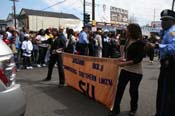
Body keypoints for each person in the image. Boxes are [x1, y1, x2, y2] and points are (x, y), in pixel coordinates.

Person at [109, 23, 145, 116]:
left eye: (127, 30)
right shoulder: (127, 40)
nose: (126, 31)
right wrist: (121, 59)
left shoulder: (140, 43)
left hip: (136, 72)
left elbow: (138, 59)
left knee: (133, 91)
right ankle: (116, 109)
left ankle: (133, 108)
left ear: (132, 31)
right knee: (119, 89)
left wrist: (124, 63)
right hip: (125, 70)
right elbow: (128, 56)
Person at [155, 9, 175, 116]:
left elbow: (173, 48)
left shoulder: (173, 31)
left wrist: (159, 46)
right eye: (162, 20)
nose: (163, 22)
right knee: (162, 91)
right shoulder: (166, 31)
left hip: (170, 66)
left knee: (166, 94)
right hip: (165, 64)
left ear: (173, 21)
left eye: (167, 20)